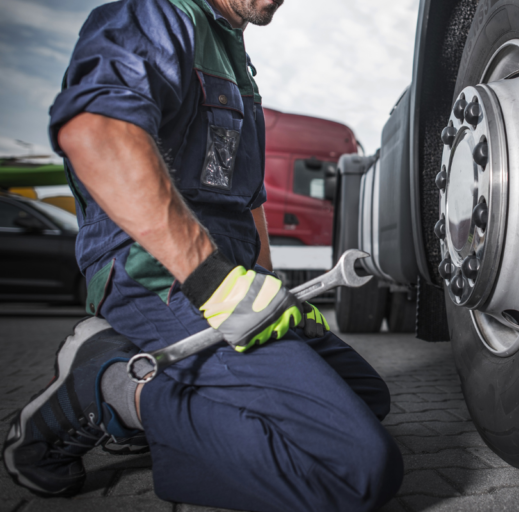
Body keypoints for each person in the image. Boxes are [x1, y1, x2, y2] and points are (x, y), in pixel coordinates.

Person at [2, 0, 404, 510]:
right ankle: (112, 386)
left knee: (367, 397)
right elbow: (95, 131)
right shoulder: (157, 14)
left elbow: (247, 202)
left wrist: (265, 289)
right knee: (357, 471)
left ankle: (167, 402)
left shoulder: (235, 57)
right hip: (158, 275)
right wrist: (213, 282)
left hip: (224, 278)